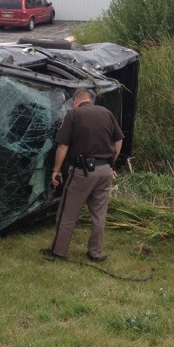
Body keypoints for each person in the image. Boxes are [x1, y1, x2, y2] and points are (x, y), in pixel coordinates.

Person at [40, 88, 124, 262]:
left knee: (68, 212)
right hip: (105, 171)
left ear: (76, 100)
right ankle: (95, 253)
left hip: (83, 172)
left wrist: (56, 170)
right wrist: (112, 162)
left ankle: (58, 252)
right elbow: (119, 139)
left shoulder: (74, 114)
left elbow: (63, 146)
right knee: (99, 214)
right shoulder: (106, 113)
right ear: (91, 100)